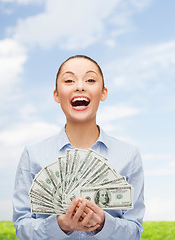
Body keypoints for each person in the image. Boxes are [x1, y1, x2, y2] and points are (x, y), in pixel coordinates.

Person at [13, 55, 145, 239]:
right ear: (56, 95)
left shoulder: (129, 155)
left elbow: (134, 231)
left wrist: (104, 224)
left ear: (103, 92)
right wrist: (60, 226)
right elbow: (22, 228)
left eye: (90, 80)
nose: (80, 86)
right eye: (69, 80)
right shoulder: (33, 154)